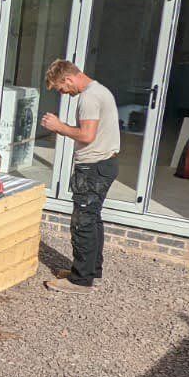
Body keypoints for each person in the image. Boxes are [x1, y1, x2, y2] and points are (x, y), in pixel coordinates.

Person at [39, 59, 119, 293]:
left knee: (82, 222)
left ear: (68, 79)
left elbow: (87, 135)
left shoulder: (89, 98)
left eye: (62, 88)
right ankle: (90, 270)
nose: (64, 93)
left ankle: (80, 281)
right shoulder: (99, 90)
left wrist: (58, 126)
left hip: (93, 167)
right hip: (105, 164)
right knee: (93, 219)